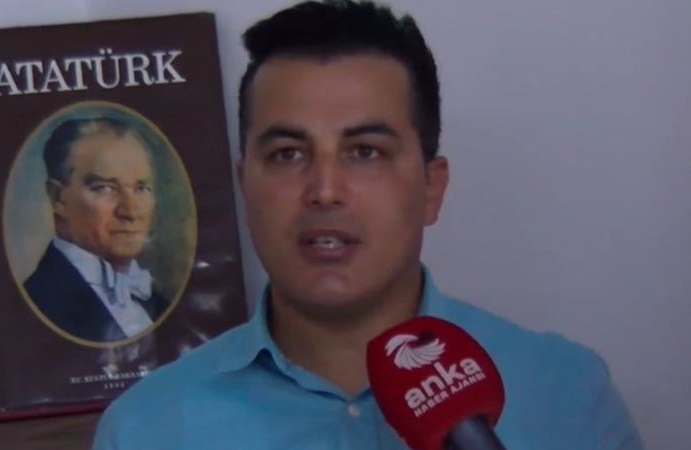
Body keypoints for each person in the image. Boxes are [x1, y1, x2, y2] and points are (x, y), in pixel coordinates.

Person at [92, 1, 644, 448]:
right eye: (287, 154)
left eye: (365, 152)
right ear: (244, 187)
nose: (325, 190)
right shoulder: (146, 429)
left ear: (431, 188)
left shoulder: (567, 394)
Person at [24, 117, 169, 343]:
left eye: (141, 188)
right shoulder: (38, 304)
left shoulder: (161, 304)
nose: (130, 211)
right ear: (58, 198)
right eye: (105, 188)